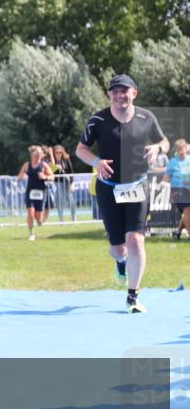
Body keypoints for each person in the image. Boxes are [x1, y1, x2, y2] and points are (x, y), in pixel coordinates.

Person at [75, 74, 168, 313]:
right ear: (110, 95)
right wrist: (96, 162)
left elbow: (165, 141)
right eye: (115, 91)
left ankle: (132, 296)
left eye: (124, 90)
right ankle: (120, 262)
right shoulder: (98, 120)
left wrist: (158, 147)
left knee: (136, 240)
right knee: (119, 248)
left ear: (134, 93)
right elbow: (80, 149)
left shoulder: (147, 117)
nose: (119, 95)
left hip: (138, 186)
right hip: (108, 189)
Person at [18, 145, 54, 241]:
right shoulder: (26, 165)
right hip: (30, 192)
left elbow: (52, 177)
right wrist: (22, 176)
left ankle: (40, 221)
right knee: (30, 212)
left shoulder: (44, 165)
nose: (38, 154)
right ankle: (31, 233)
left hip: (41, 192)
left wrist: (45, 177)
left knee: (38, 217)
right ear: (32, 154)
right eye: (36, 152)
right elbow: (19, 177)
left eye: (39, 153)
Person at [164, 139, 189, 240]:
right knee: (188, 209)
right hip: (177, 191)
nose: (181, 152)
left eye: (182, 149)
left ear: (186, 148)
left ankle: (177, 232)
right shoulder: (173, 162)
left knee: (188, 213)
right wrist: (163, 185)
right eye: (179, 150)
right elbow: (166, 178)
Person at [52, 144, 76, 222]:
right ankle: (61, 219)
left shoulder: (66, 159)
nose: (59, 154)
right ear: (54, 153)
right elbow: (51, 171)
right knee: (60, 200)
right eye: (57, 152)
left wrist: (72, 183)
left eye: (60, 152)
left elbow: (71, 171)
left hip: (67, 181)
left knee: (71, 199)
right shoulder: (52, 161)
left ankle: (74, 218)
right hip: (57, 182)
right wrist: (56, 166)